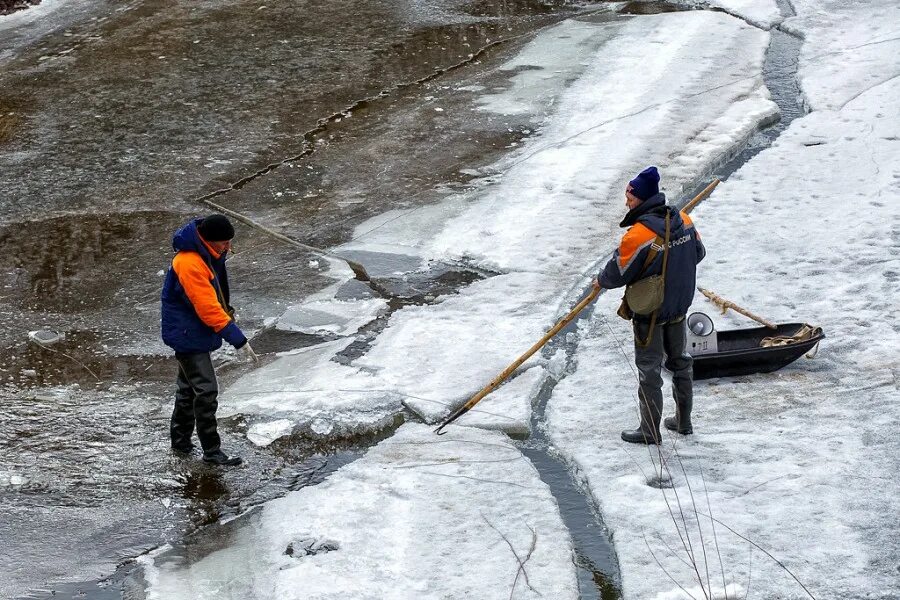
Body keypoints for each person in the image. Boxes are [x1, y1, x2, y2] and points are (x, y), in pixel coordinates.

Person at [594, 166, 705, 444]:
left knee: (649, 370)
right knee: (681, 363)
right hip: (679, 307)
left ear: (642, 197)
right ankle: (683, 422)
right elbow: (699, 253)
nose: (626, 201)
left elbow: (617, 274)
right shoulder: (684, 219)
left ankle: (649, 431)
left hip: (651, 312)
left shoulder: (638, 235)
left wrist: (600, 281)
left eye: (630, 196)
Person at [160, 214, 257, 466]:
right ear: (208, 239)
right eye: (224, 243)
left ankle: (180, 444)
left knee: (187, 391)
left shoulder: (205, 254)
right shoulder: (190, 263)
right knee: (206, 391)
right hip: (188, 336)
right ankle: (212, 452)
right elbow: (208, 308)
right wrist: (237, 338)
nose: (228, 248)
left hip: (191, 332)